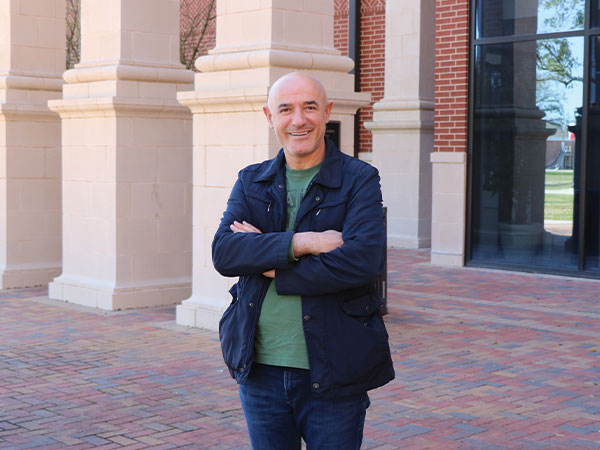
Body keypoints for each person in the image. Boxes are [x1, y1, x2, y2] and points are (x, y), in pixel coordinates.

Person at [212, 72, 394, 450]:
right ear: (269, 116)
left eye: (309, 107)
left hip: (334, 370)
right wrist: (304, 242)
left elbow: (361, 262)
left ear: (327, 112)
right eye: (286, 109)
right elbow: (225, 252)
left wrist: (267, 260)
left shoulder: (359, 179)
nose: (299, 119)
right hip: (258, 368)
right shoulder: (251, 180)